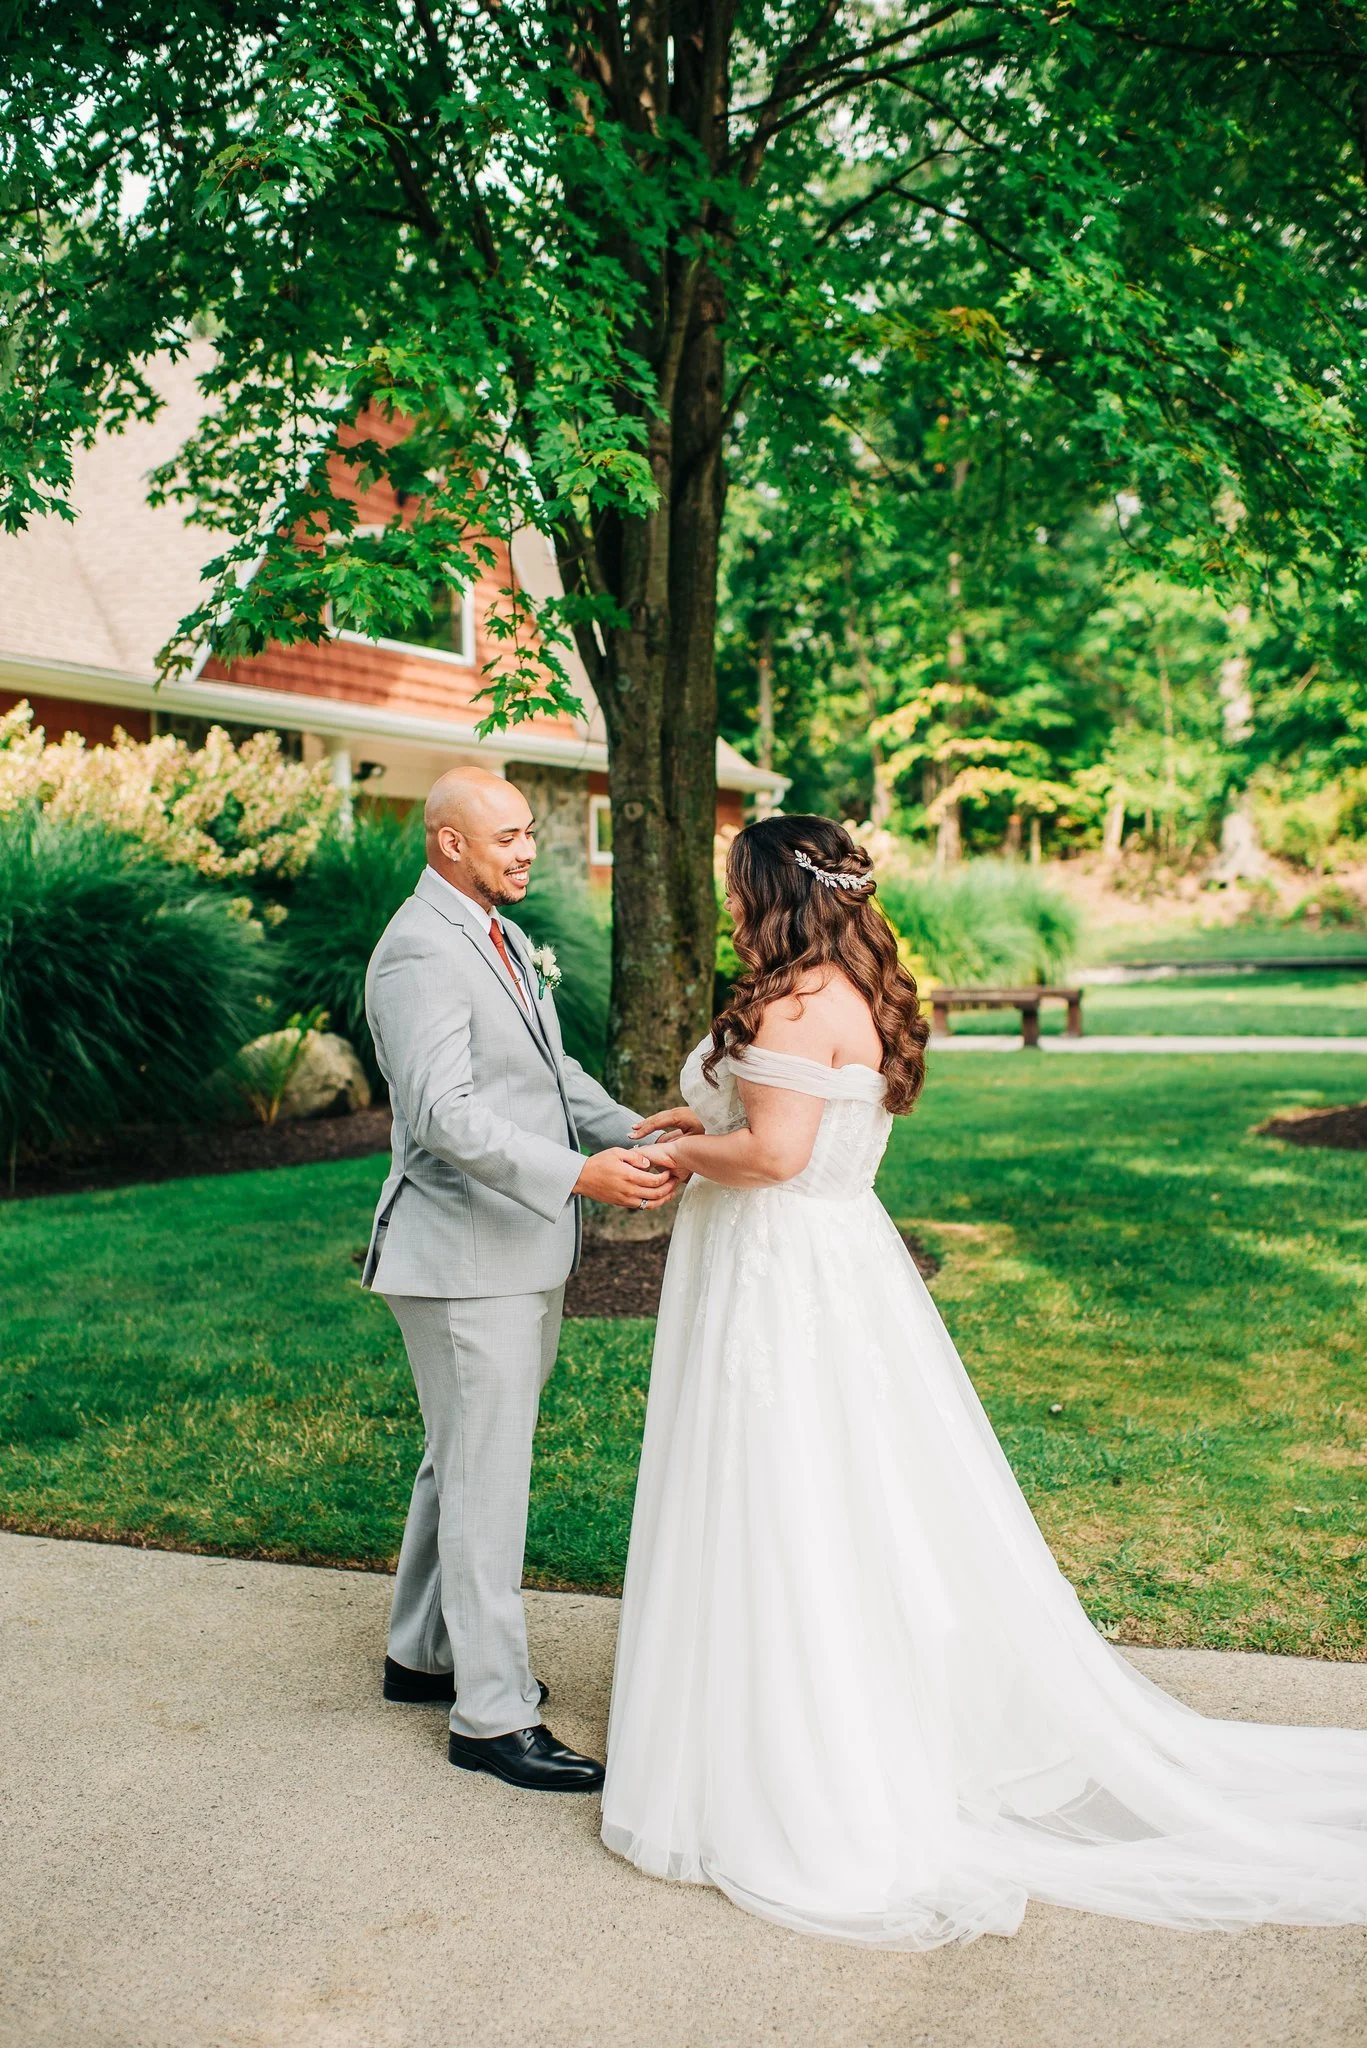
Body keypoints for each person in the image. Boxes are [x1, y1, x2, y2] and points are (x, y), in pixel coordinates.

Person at [602, 813, 1367, 1948]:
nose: (729, 904)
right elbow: (778, 1125)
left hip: (778, 1272)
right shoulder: (842, 990)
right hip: (835, 1263)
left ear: (774, 893)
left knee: (778, 1494)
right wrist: (702, 1117)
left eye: (736, 886)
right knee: (839, 1499)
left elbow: (774, 1155)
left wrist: (676, 1152)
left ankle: (791, 1759)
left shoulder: (793, 1002)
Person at [362, 766, 677, 1792]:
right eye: (506, 835)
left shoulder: (494, 936)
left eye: (528, 832)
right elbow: (447, 1115)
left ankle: (419, 1652)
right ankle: (490, 1716)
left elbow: (545, 1075)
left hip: (516, 1252)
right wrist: (576, 1174)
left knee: (458, 1457)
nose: (527, 847)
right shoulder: (419, 950)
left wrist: (632, 1129)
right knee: (487, 1482)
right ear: (448, 844)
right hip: (462, 1260)